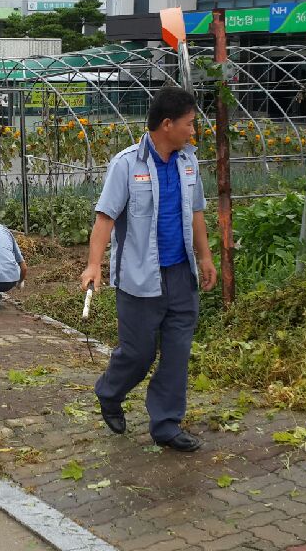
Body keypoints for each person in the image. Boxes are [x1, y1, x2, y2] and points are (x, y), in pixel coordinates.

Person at [78, 87, 218, 453]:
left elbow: (197, 212)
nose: (193, 131)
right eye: (189, 124)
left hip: (180, 275)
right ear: (167, 124)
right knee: (138, 354)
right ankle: (109, 392)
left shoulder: (189, 162)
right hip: (139, 279)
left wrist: (205, 257)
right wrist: (94, 265)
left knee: (176, 354)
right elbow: (105, 217)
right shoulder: (126, 164)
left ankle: (166, 424)